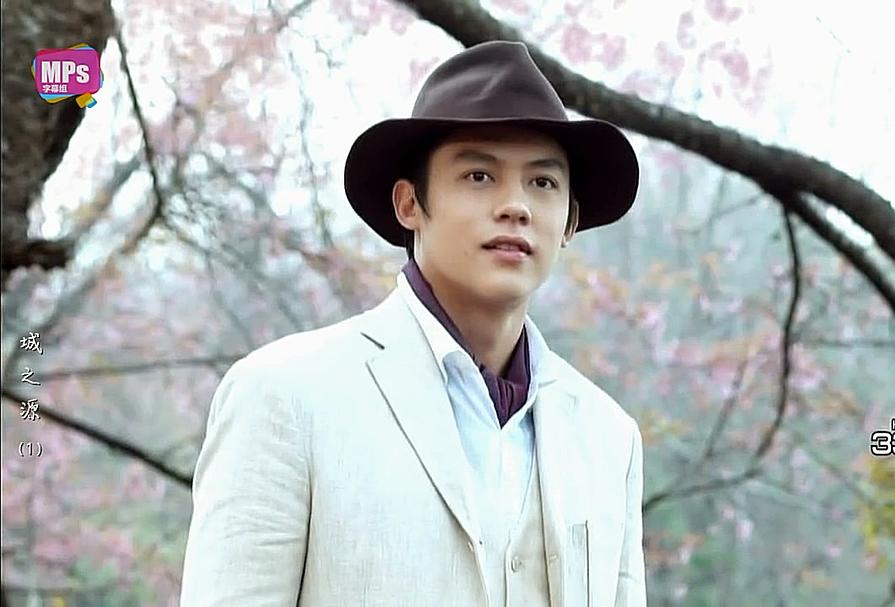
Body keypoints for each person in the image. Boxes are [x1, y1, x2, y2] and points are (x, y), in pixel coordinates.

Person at [179, 40, 645, 606]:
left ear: (569, 221)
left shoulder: (608, 436)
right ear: (409, 205)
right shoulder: (285, 395)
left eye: (542, 183)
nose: (516, 206)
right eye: (479, 175)